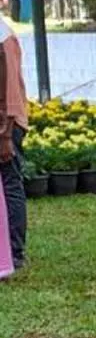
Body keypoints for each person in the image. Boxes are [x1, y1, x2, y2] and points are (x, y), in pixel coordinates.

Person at [0, 14, 26, 273]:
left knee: (10, 185)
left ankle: (15, 252)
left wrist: (6, 134)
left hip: (7, 124)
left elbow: (11, 92)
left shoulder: (3, 36)